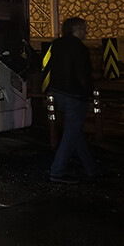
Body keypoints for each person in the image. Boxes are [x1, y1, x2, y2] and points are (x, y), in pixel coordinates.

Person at [48, 17, 102, 183]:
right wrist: (89, 93)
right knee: (71, 133)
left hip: (58, 91)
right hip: (74, 94)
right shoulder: (80, 48)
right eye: (84, 28)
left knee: (75, 131)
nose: (86, 31)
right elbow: (82, 74)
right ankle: (57, 171)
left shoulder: (56, 44)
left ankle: (91, 168)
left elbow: (49, 66)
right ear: (76, 29)